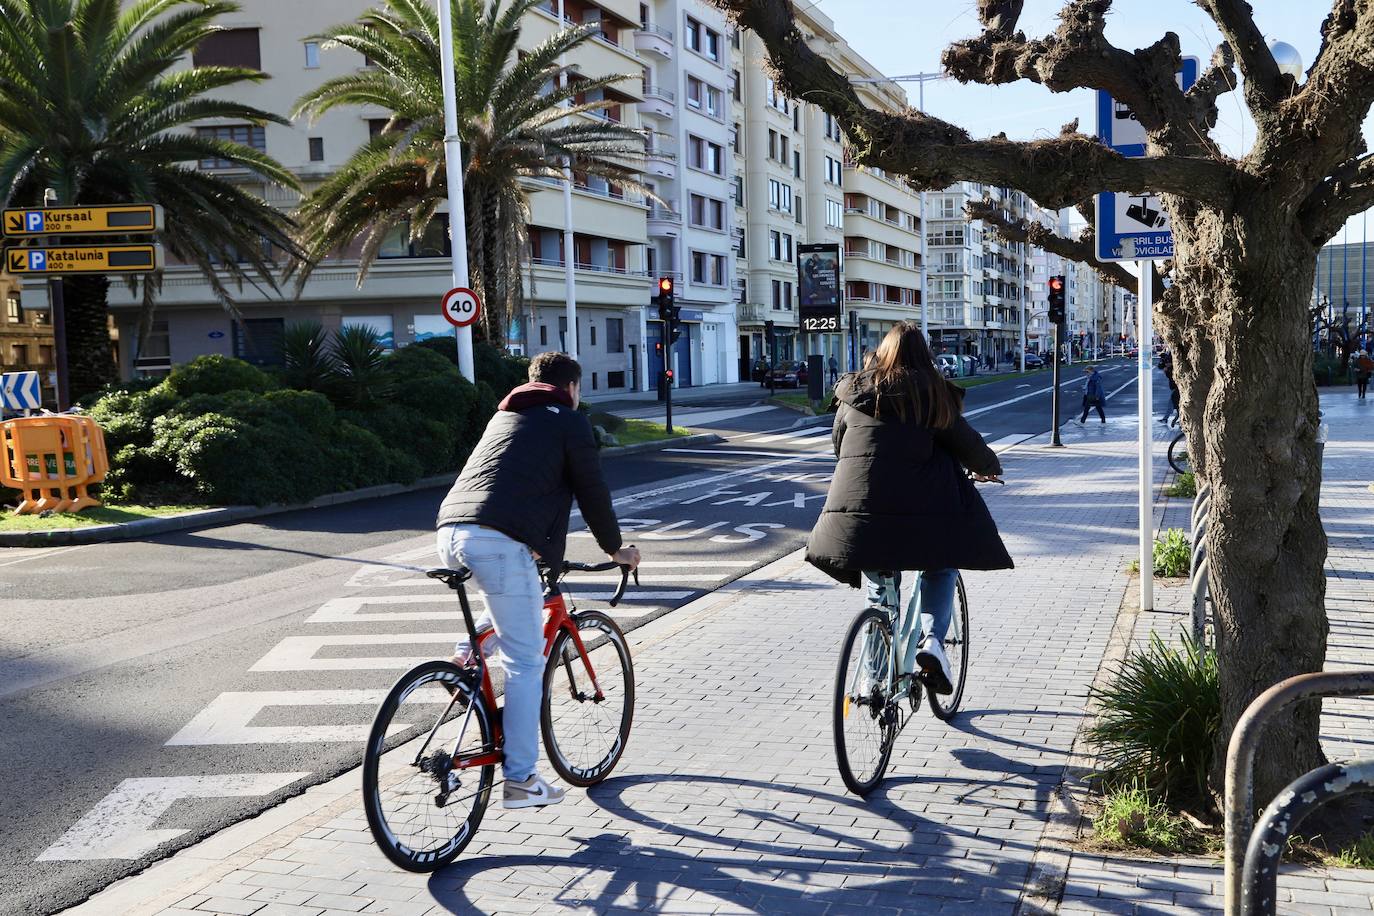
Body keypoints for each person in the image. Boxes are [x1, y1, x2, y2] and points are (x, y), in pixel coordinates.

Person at [435, 352, 641, 809]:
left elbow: (514, 482)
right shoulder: (569, 422)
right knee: (526, 663)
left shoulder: (505, 415)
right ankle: (522, 780)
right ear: (571, 389)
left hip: (450, 530)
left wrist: (535, 545)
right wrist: (615, 550)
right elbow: (592, 491)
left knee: (510, 605)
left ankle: (468, 654)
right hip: (497, 541)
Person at [806, 321, 1013, 695]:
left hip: (859, 514)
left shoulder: (853, 393)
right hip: (923, 517)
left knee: (878, 594)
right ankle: (933, 641)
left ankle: (873, 684)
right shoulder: (932, 395)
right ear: (924, 356)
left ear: (882, 351)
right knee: (940, 563)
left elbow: (839, 448)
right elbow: (969, 445)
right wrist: (989, 468)